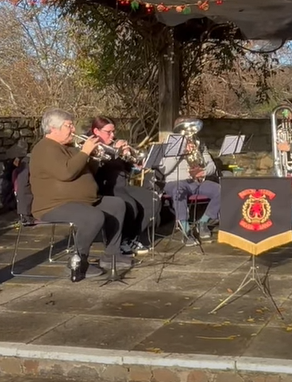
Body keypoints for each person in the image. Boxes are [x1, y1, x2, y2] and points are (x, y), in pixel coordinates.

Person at [28, 108, 134, 282]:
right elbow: (66, 173)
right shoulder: (45, 148)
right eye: (68, 126)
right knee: (93, 217)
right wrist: (85, 152)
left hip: (81, 200)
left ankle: (111, 255)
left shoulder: (68, 147)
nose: (73, 130)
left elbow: (85, 171)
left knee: (117, 205)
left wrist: (92, 157)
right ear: (54, 128)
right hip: (54, 205)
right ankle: (78, 262)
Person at [88, 116, 160, 255]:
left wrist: (129, 158)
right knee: (130, 204)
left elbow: (125, 170)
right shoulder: (93, 146)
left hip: (123, 185)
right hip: (106, 186)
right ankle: (120, 241)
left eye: (113, 131)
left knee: (152, 199)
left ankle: (132, 237)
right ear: (96, 131)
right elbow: (97, 170)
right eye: (108, 132)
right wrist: (114, 152)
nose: (113, 135)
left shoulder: (113, 144)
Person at [160, 117, 221, 246]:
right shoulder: (169, 144)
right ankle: (186, 230)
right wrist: (181, 152)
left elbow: (212, 166)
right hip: (175, 182)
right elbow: (164, 170)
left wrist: (203, 172)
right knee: (178, 191)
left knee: (220, 190)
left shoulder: (199, 143)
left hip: (196, 181)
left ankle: (203, 222)